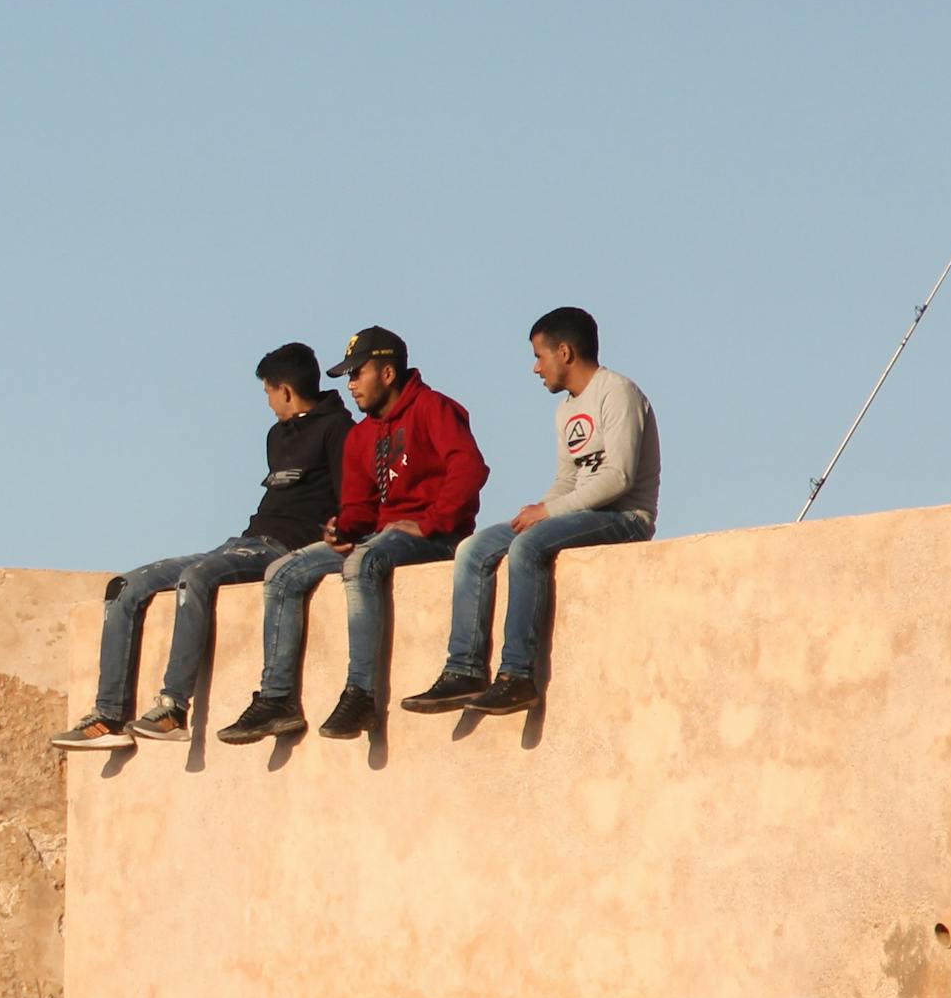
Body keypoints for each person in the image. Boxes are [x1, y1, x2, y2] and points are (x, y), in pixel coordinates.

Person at [51, 342, 354, 748]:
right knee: (125, 586)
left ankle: (173, 708)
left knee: (196, 578)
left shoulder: (338, 429)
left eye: (268, 392)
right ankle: (108, 717)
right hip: (244, 542)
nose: (267, 402)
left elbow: (350, 500)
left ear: (284, 390)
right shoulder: (277, 436)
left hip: (284, 549)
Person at [217, 328, 488, 745]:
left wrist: (430, 522)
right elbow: (360, 507)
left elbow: (468, 469)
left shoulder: (433, 408)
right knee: (283, 573)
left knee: (363, 562)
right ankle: (276, 700)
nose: (351, 384)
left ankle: (360, 693)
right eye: (348, 375)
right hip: (382, 539)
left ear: (388, 373)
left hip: (435, 539)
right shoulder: (362, 435)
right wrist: (343, 528)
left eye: (358, 373)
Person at [403, 306, 660, 718]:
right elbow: (567, 480)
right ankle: (464, 670)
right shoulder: (566, 409)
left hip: (625, 518)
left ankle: (517, 676)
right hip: (578, 513)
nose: (536, 368)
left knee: (528, 545)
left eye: (540, 356)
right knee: (474, 548)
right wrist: (539, 509)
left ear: (564, 352)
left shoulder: (617, 392)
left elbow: (619, 477)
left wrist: (549, 512)